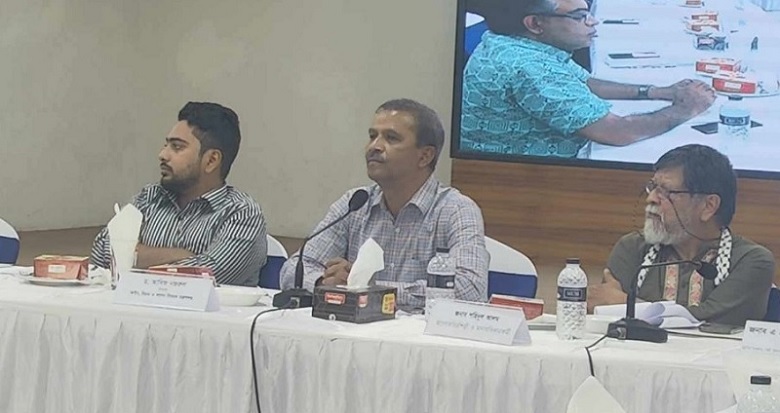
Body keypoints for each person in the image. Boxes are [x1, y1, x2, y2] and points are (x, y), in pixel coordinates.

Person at [279, 99, 489, 308]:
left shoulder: (456, 210)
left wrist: (369, 288)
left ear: (425, 156)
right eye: (372, 136)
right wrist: (324, 283)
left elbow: (470, 290)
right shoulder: (355, 203)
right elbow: (293, 270)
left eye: (391, 138)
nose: (374, 146)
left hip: (419, 338)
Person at [460, 0, 716, 158]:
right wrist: (686, 108)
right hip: (525, 177)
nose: (593, 21)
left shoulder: (515, 42)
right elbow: (617, 132)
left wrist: (656, 91)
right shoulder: (529, 68)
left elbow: (585, 83)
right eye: (579, 16)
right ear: (536, 23)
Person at [588, 144, 775, 326]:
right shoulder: (633, 248)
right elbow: (608, 317)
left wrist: (626, 304)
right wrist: (621, 306)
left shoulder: (751, 260)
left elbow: (711, 323)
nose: (651, 198)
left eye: (666, 192)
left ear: (708, 206)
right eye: (652, 187)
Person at [91, 102, 267, 286]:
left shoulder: (242, 212)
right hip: (136, 312)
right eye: (165, 145)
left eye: (177, 147)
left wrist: (131, 258)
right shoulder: (149, 198)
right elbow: (101, 254)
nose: (163, 154)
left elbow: (202, 278)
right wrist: (179, 255)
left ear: (211, 160)